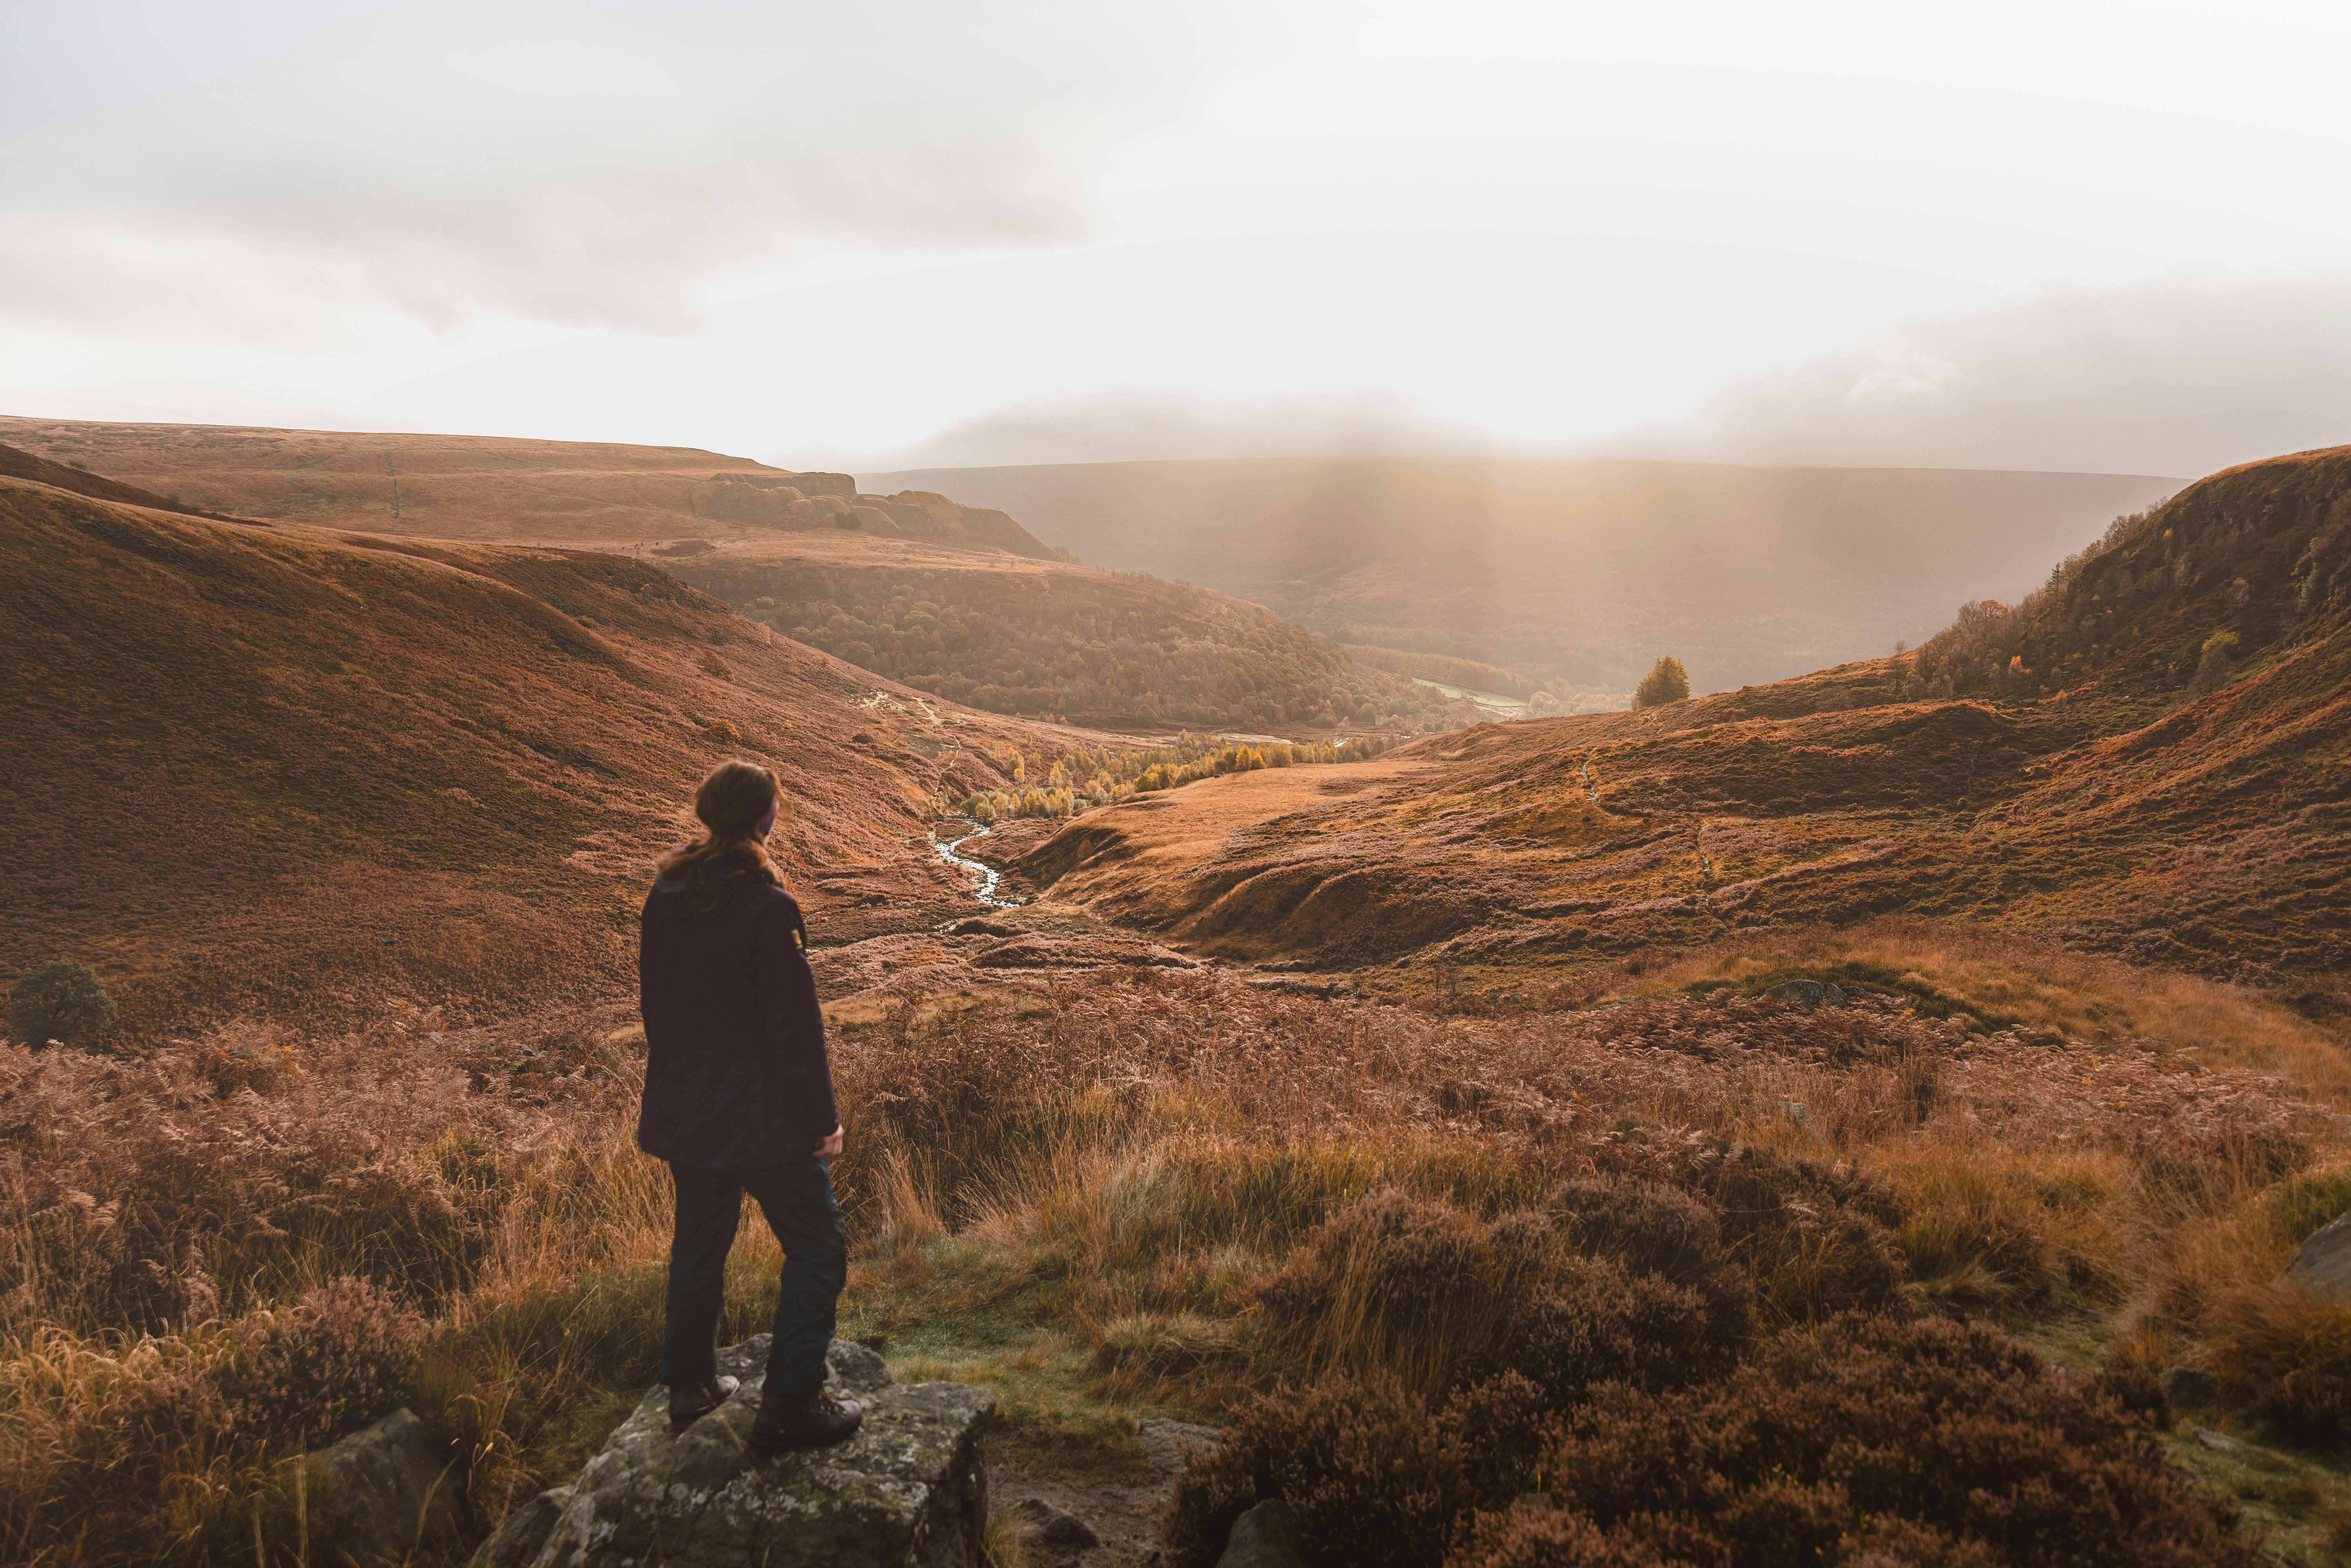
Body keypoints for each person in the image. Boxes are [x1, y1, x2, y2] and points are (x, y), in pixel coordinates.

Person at [637, 759, 860, 1451]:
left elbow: (656, 1005)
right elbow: (795, 1029)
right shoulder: (769, 906)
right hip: (763, 1117)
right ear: (764, 819)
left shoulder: (665, 891)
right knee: (818, 1245)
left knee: (699, 1244)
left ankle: (690, 1386)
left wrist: (683, 1081)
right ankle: (790, 1401)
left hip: (689, 1109)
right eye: (775, 809)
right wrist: (823, 1120)